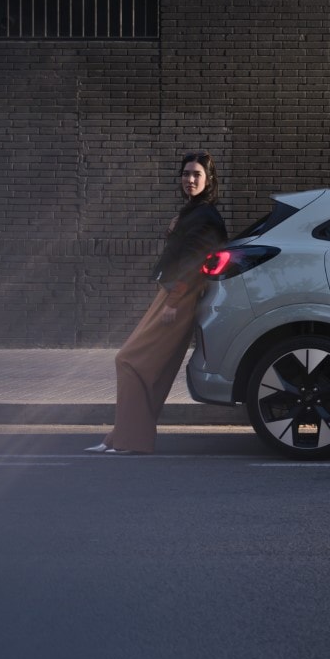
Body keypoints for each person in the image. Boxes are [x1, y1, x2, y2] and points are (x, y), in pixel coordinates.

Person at [87, 150, 227, 455]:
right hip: (172, 293)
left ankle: (129, 440)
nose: (190, 180)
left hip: (180, 296)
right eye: (186, 174)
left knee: (130, 361)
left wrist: (173, 302)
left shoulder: (205, 217)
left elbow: (195, 263)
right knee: (143, 368)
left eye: (197, 175)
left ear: (209, 179)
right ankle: (122, 437)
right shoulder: (194, 212)